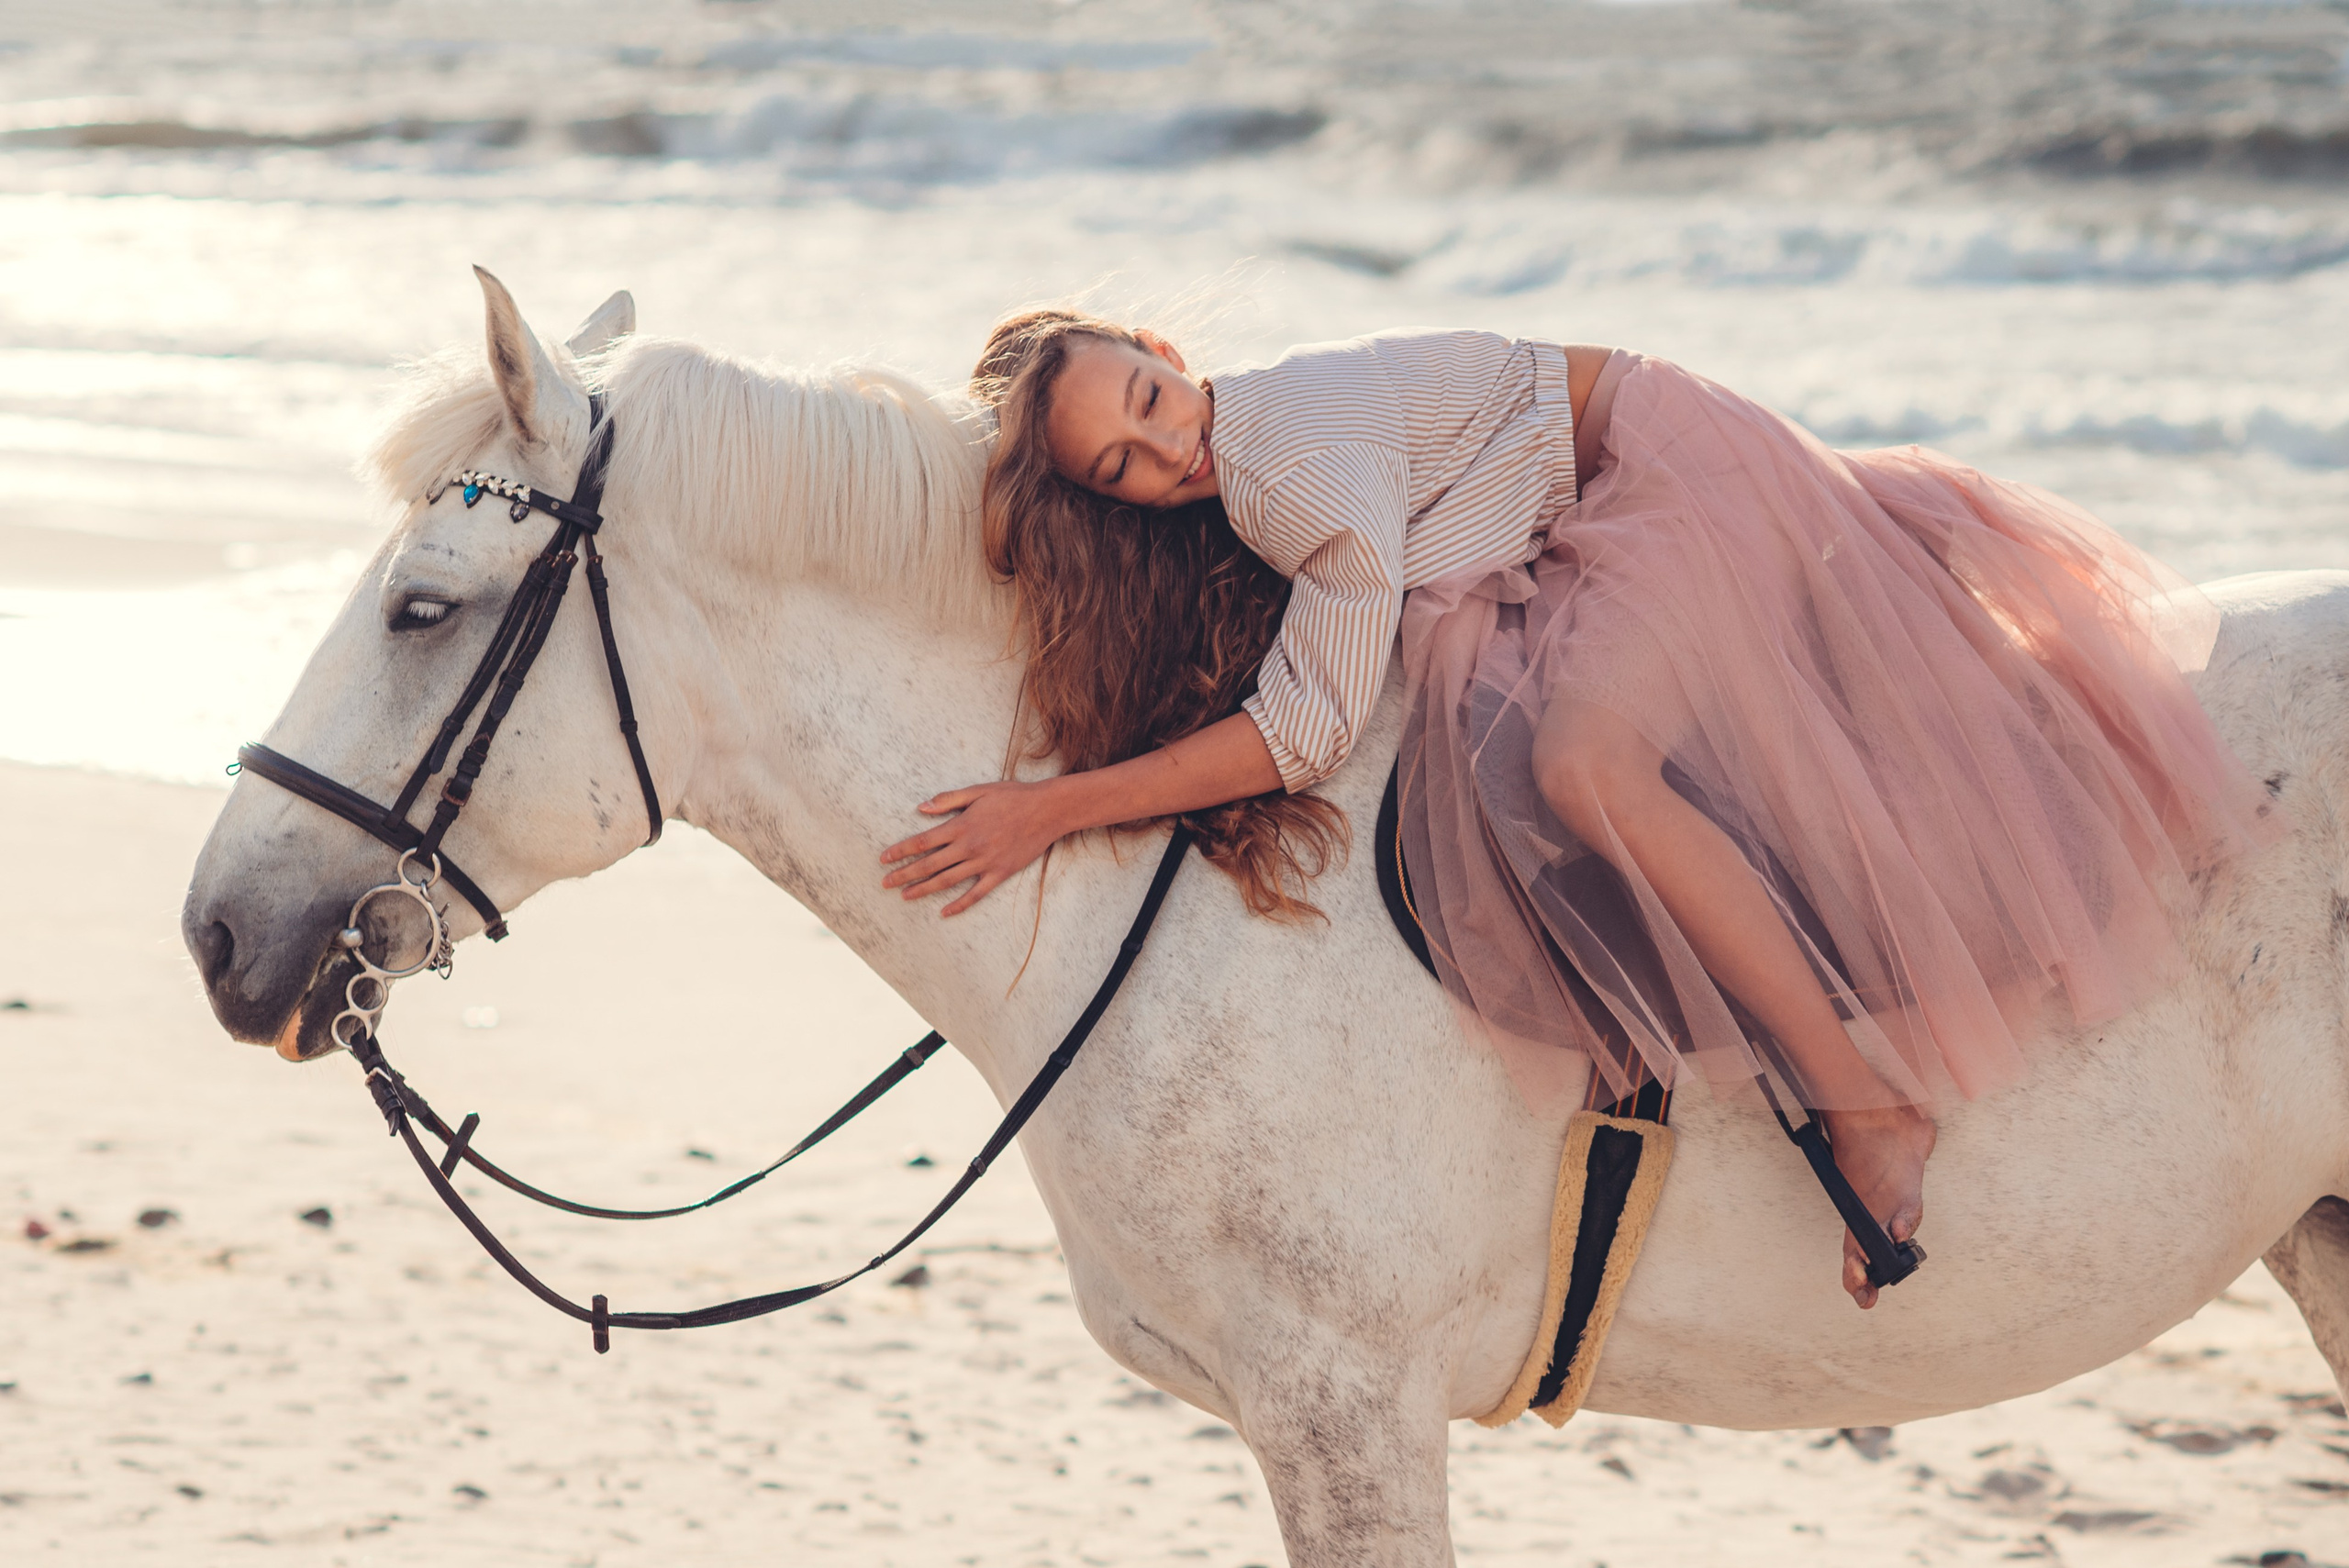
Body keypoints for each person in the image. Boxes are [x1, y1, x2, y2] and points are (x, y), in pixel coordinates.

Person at [880, 310, 2275, 1307]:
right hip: (1593, 489)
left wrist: (1047, 812)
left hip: (1667, 470)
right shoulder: (1252, 462)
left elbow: (1304, 729)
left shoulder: (1283, 447)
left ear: (1166, 354)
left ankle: (1867, 1108)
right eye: (1118, 466)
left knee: (1583, 769)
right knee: (1504, 754)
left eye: (1144, 399)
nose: (1158, 449)